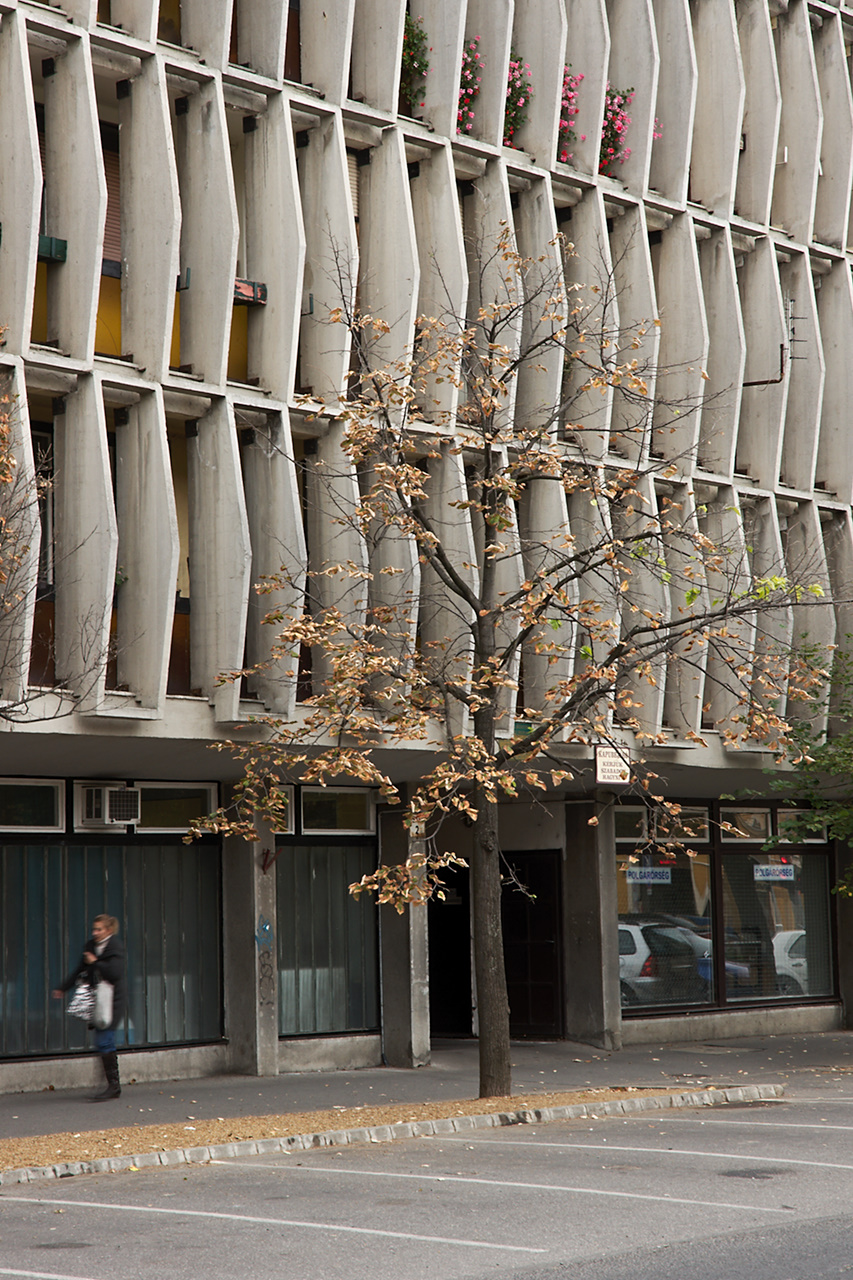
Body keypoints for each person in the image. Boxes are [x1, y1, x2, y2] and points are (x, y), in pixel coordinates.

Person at [52, 914, 127, 1102]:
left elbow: (115, 973)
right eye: (94, 929)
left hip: (113, 1000)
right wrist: (63, 988)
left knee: (105, 1039)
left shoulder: (115, 947)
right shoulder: (91, 946)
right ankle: (111, 1085)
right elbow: (80, 970)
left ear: (108, 930)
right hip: (96, 999)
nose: (95, 933)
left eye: (99, 929)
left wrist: (95, 962)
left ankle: (114, 1086)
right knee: (102, 1040)